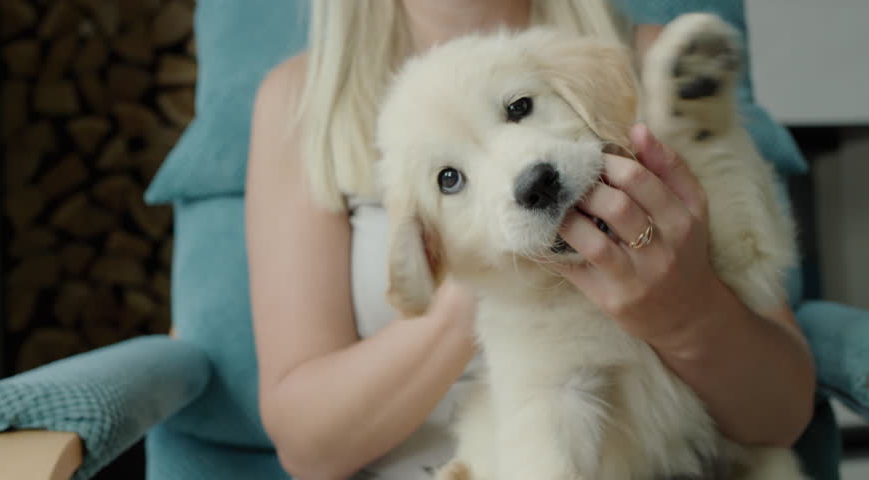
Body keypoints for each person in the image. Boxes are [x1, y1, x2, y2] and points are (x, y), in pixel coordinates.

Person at [244, 1, 817, 478]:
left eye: (520, 108)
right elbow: (307, 445)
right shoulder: (301, 103)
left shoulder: (647, 63)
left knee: (692, 182)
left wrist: (686, 314)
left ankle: (703, 142)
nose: (527, 176)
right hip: (482, 428)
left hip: (704, 454)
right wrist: (481, 283)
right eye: (449, 179)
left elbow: (782, 414)